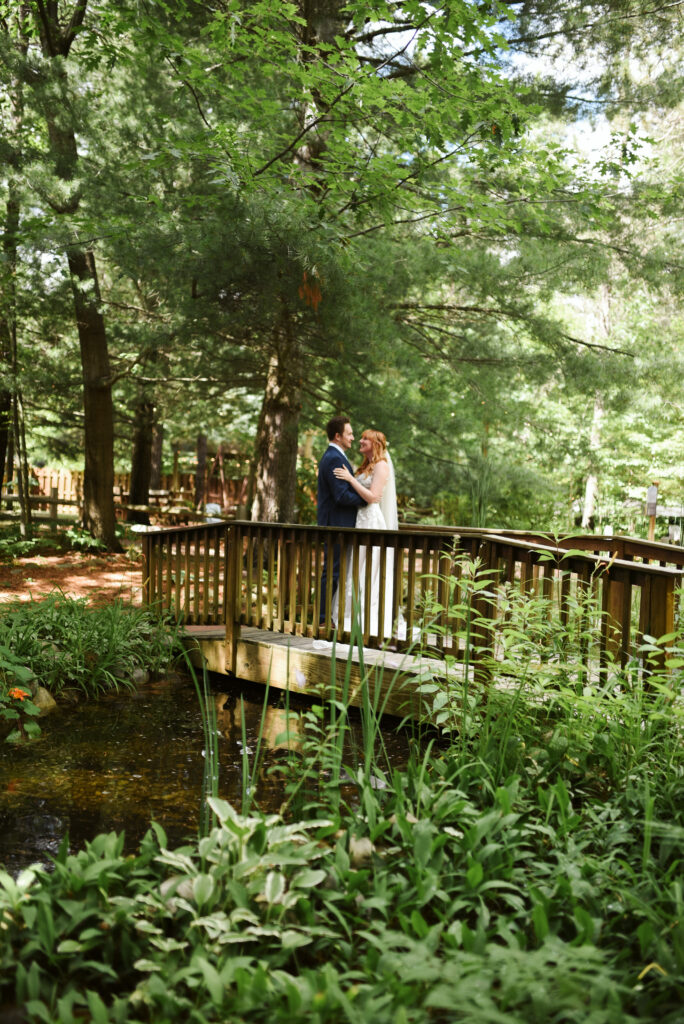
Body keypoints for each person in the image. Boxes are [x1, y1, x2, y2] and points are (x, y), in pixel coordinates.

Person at [332, 428, 399, 637]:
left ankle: (367, 619)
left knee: (367, 568)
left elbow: (373, 497)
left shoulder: (381, 466)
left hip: (371, 521)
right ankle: (348, 615)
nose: (360, 441)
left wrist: (350, 479)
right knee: (354, 566)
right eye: (360, 438)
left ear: (375, 444)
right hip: (358, 520)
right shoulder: (365, 466)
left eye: (365, 439)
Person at [316, 415, 367, 624]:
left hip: (338, 523)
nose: (353, 438)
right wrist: (366, 499)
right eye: (349, 434)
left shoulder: (335, 456)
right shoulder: (334, 458)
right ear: (338, 436)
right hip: (335, 524)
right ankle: (322, 619)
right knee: (332, 571)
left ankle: (328, 616)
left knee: (335, 570)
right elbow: (341, 495)